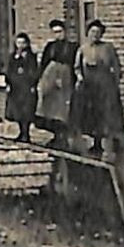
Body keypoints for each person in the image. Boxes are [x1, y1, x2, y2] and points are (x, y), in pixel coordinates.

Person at [72, 19, 124, 160]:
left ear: (102, 34)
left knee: (107, 114)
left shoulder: (108, 47)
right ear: (88, 33)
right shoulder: (83, 49)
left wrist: (115, 81)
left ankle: (111, 142)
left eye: (98, 32)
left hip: (105, 85)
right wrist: (79, 77)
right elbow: (77, 67)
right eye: (92, 32)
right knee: (92, 113)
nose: (95, 35)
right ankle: (96, 143)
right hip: (89, 85)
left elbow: (116, 66)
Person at [36, 19, 79, 149]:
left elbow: (74, 65)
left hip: (66, 81)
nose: (58, 35)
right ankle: (55, 135)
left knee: (63, 110)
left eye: (60, 32)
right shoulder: (50, 47)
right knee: (48, 108)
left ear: (65, 32)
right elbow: (44, 63)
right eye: (55, 32)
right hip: (50, 80)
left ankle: (63, 137)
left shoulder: (72, 47)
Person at [4, 32, 40, 143]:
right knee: (17, 111)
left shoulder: (31, 57)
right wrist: (8, 83)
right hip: (16, 88)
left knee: (26, 111)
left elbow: (34, 72)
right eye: (18, 43)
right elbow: (9, 71)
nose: (20, 45)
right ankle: (21, 132)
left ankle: (26, 133)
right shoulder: (13, 57)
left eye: (23, 43)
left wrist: (33, 84)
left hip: (26, 88)